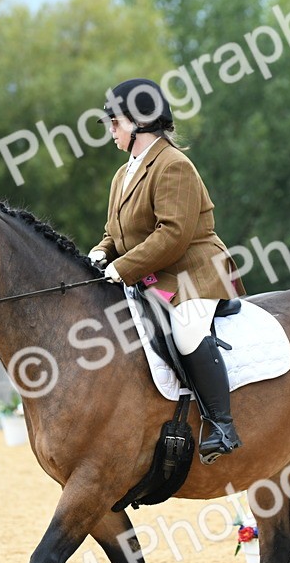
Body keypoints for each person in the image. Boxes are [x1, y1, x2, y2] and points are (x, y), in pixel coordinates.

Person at [88, 77, 246, 463]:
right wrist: (100, 252)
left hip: (194, 273)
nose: (111, 131)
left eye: (115, 122)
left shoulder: (174, 165)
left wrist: (122, 268)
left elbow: (173, 235)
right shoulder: (124, 173)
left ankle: (222, 425)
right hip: (154, 273)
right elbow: (117, 230)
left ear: (140, 122)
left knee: (187, 331)